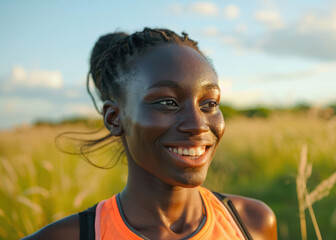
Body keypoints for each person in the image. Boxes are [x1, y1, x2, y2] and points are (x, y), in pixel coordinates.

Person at [23, 27, 277, 240]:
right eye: (167, 103)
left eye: (209, 104)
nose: (198, 124)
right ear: (114, 118)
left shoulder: (252, 223)